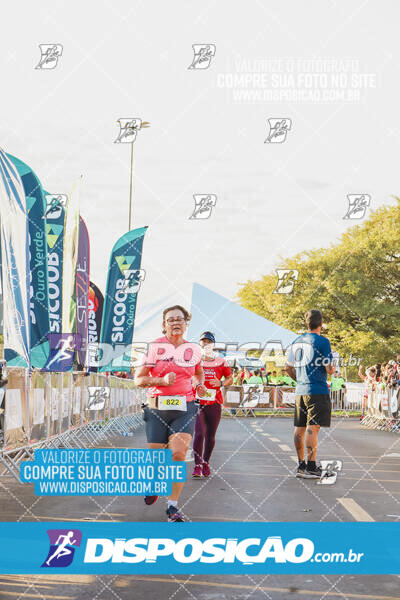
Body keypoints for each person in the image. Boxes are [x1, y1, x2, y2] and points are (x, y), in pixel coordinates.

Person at [135, 305, 207, 522]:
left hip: (184, 407)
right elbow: (139, 379)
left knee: (177, 454)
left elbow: (198, 373)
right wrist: (161, 381)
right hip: (157, 407)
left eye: (180, 319)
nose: (175, 322)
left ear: (186, 323)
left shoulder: (193, 349)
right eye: (171, 319)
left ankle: (172, 507)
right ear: (164, 324)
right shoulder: (155, 347)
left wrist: (199, 385)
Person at [286, 309, 335, 479]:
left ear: (306, 323)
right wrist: (332, 368)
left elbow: (288, 367)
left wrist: (298, 380)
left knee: (299, 428)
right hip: (317, 390)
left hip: (301, 390)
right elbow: (329, 368)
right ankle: (312, 466)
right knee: (312, 427)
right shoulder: (323, 342)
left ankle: (301, 465)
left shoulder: (296, 341)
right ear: (321, 324)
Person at [192, 332, 233, 478]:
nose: (205, 344)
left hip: (214, 402)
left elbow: (230, 378)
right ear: (199, 344)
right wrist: (197, 384)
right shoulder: (194, 360)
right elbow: (190, 375)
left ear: (213, 345)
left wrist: (221, 383)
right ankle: (197, 465)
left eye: (208, 341)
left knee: (210, 436)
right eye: (203, 341)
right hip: (198, 401)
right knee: (199, 433)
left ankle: (206, 462)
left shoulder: (221, 361)